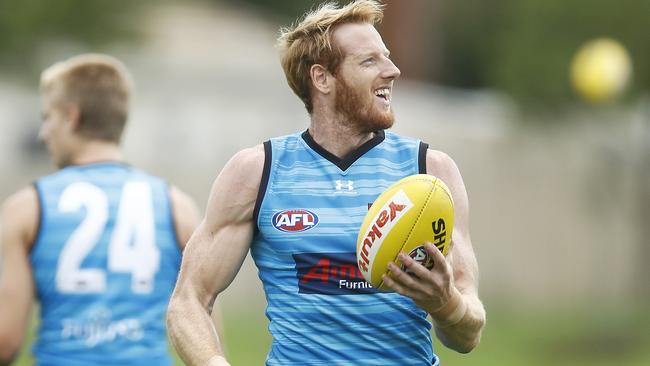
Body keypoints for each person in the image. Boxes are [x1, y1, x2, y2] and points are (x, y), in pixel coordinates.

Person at [167, 0, 486, 365]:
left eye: (388, 56)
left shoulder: (430, 172)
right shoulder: (259, 172)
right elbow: (188, 300)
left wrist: (445, 304)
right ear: (322, 79)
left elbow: (469, 334)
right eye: (370, 61)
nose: (393, 70)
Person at [0, 54, 201, 366]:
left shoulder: (27, 208)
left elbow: (6, 342)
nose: (43, 133)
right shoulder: (178, 207)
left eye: (47, 117)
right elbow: (206, 344)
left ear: (72, 116)